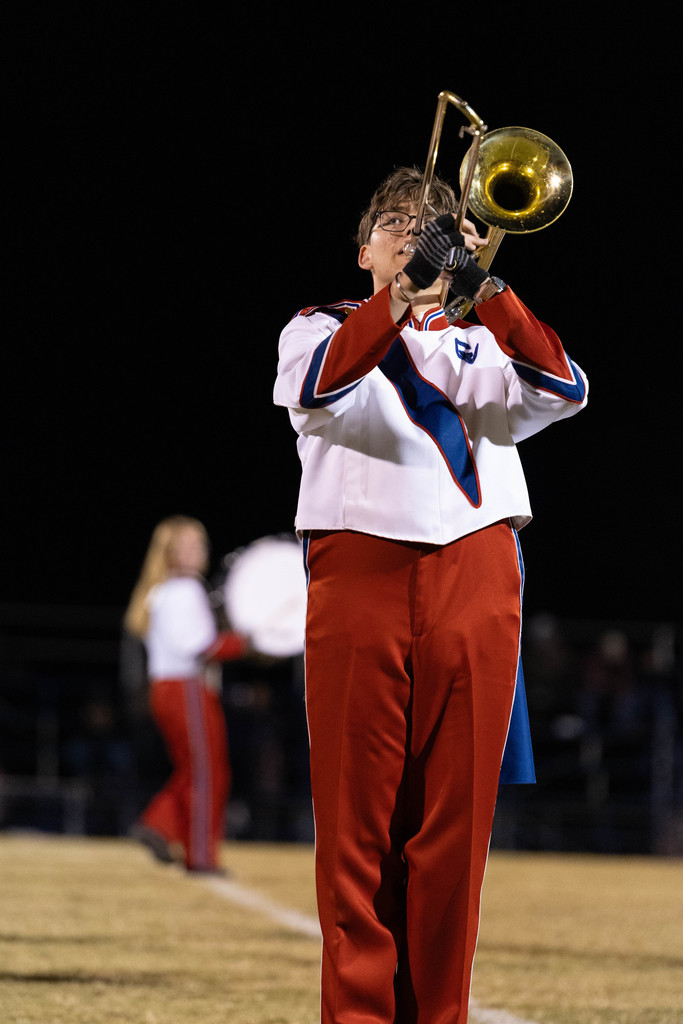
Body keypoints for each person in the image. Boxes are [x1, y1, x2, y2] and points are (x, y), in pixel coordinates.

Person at [273, 166, 588, 1023]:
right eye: (392, 222)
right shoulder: (317, 326)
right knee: (355, 831)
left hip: (476, 576)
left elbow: (565, 388)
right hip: (360, 574)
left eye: (429, 225)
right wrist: (397, 302)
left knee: (454, 834)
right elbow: (317, 389)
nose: (410, 233)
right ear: (365, 247)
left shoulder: (485, 336)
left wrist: (489, 290)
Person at [124, 515, 246, 874]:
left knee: (196, 770)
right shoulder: (184, 589)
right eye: (187, 544)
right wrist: (250, 642)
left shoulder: (161, 591)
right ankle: (199, 853)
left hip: (167, 688)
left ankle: (159, 825)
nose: (197, 551)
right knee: (208, 772)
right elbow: (199, 646)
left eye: (200, 543)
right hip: (186, 688)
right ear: (169, 552)